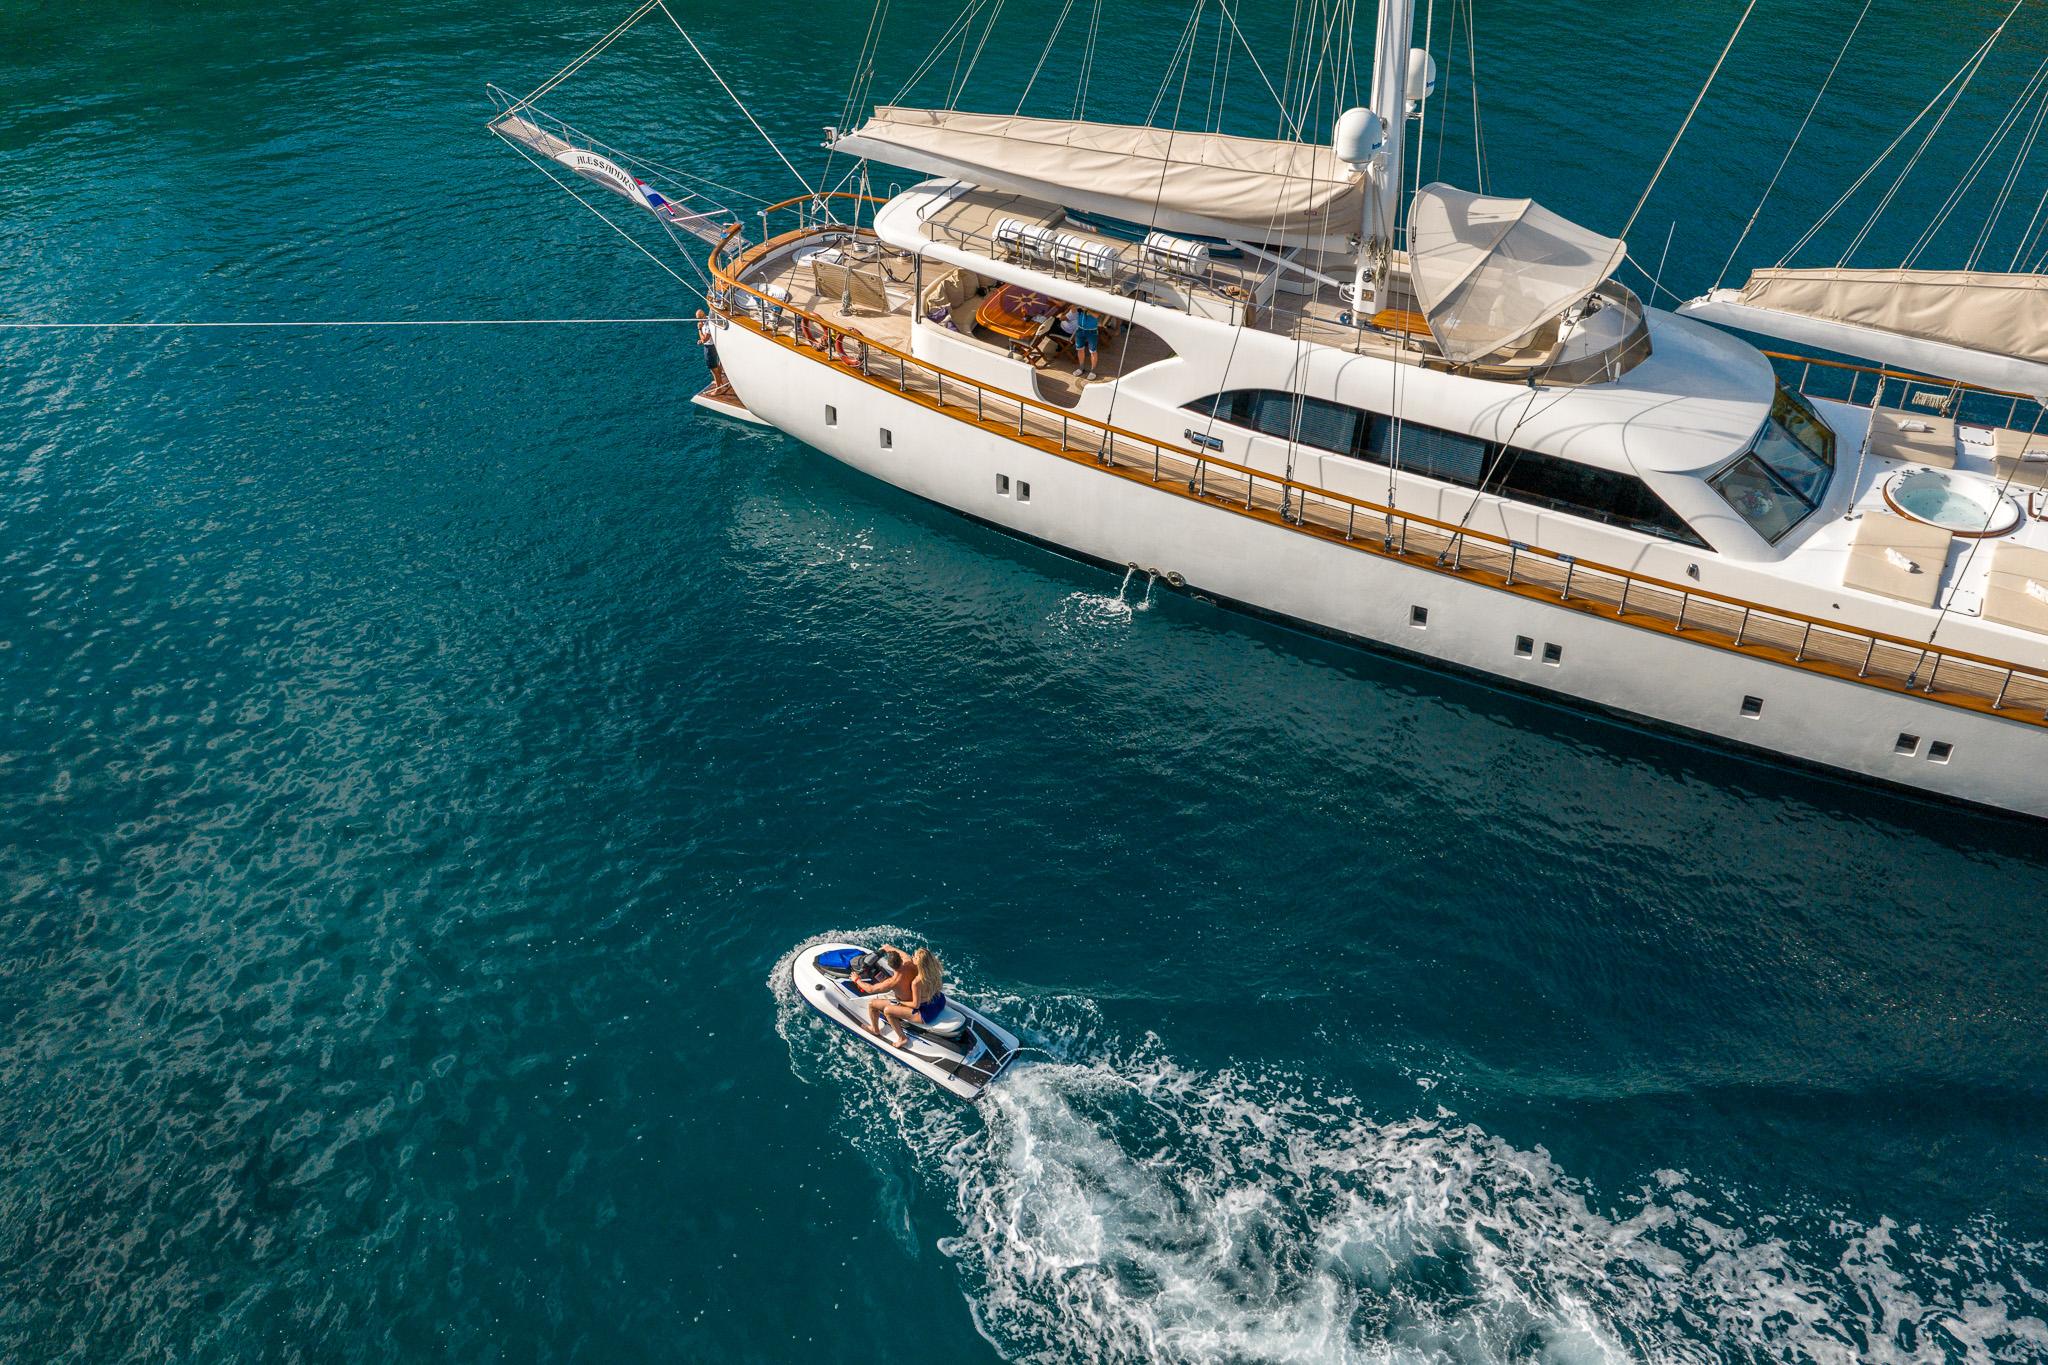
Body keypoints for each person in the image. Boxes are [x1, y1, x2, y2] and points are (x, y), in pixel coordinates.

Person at [866, 947, 945, 1049]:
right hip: (940, 1001)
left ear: (920, 962)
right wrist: (889, 948)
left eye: (915, 957)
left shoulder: (916, 982)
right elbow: (905, 956)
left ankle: (902, 1038)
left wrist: (901, 1001)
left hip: (926, 1013)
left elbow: (915, 1005)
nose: (912, 957)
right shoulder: (933, 970)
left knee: (888, 1011)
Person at [696, 309, 730, 396]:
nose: (698, 320)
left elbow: (705, 339)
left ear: (702, 316)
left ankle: (719, 388)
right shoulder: (706, 321)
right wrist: (701, 340)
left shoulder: (707, 325)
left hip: (710, 348)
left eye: (699, 318)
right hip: (712, 346)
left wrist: (699, 329)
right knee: (716, 366)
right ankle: (720, 382)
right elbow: (705, 339)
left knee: (713, 368)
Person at [1072, 305, 1100, 380]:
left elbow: (1097, 315)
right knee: (1080, 349)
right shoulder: (1081, 302)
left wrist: (1088, 310)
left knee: (1093, 351)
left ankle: (1093, 371)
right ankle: (1081, 368)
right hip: (1080, 329)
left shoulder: (1095, 303)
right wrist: (1077, 306)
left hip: (1092, 331)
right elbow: (1073, 311)